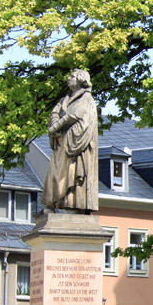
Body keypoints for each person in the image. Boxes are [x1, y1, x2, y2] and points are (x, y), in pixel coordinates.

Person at [41, 69, 99, 213]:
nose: (69, 78)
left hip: (75, 147)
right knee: (54, 173)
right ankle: (52, 203)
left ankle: (73, 206)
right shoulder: (65, 99)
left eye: (72, 76)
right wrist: (54, 124)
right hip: (61, 145)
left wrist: (56, 127)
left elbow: (74, 116)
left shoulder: (86, 100)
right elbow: (55, 112)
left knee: (72, 174)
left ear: (80, 79)